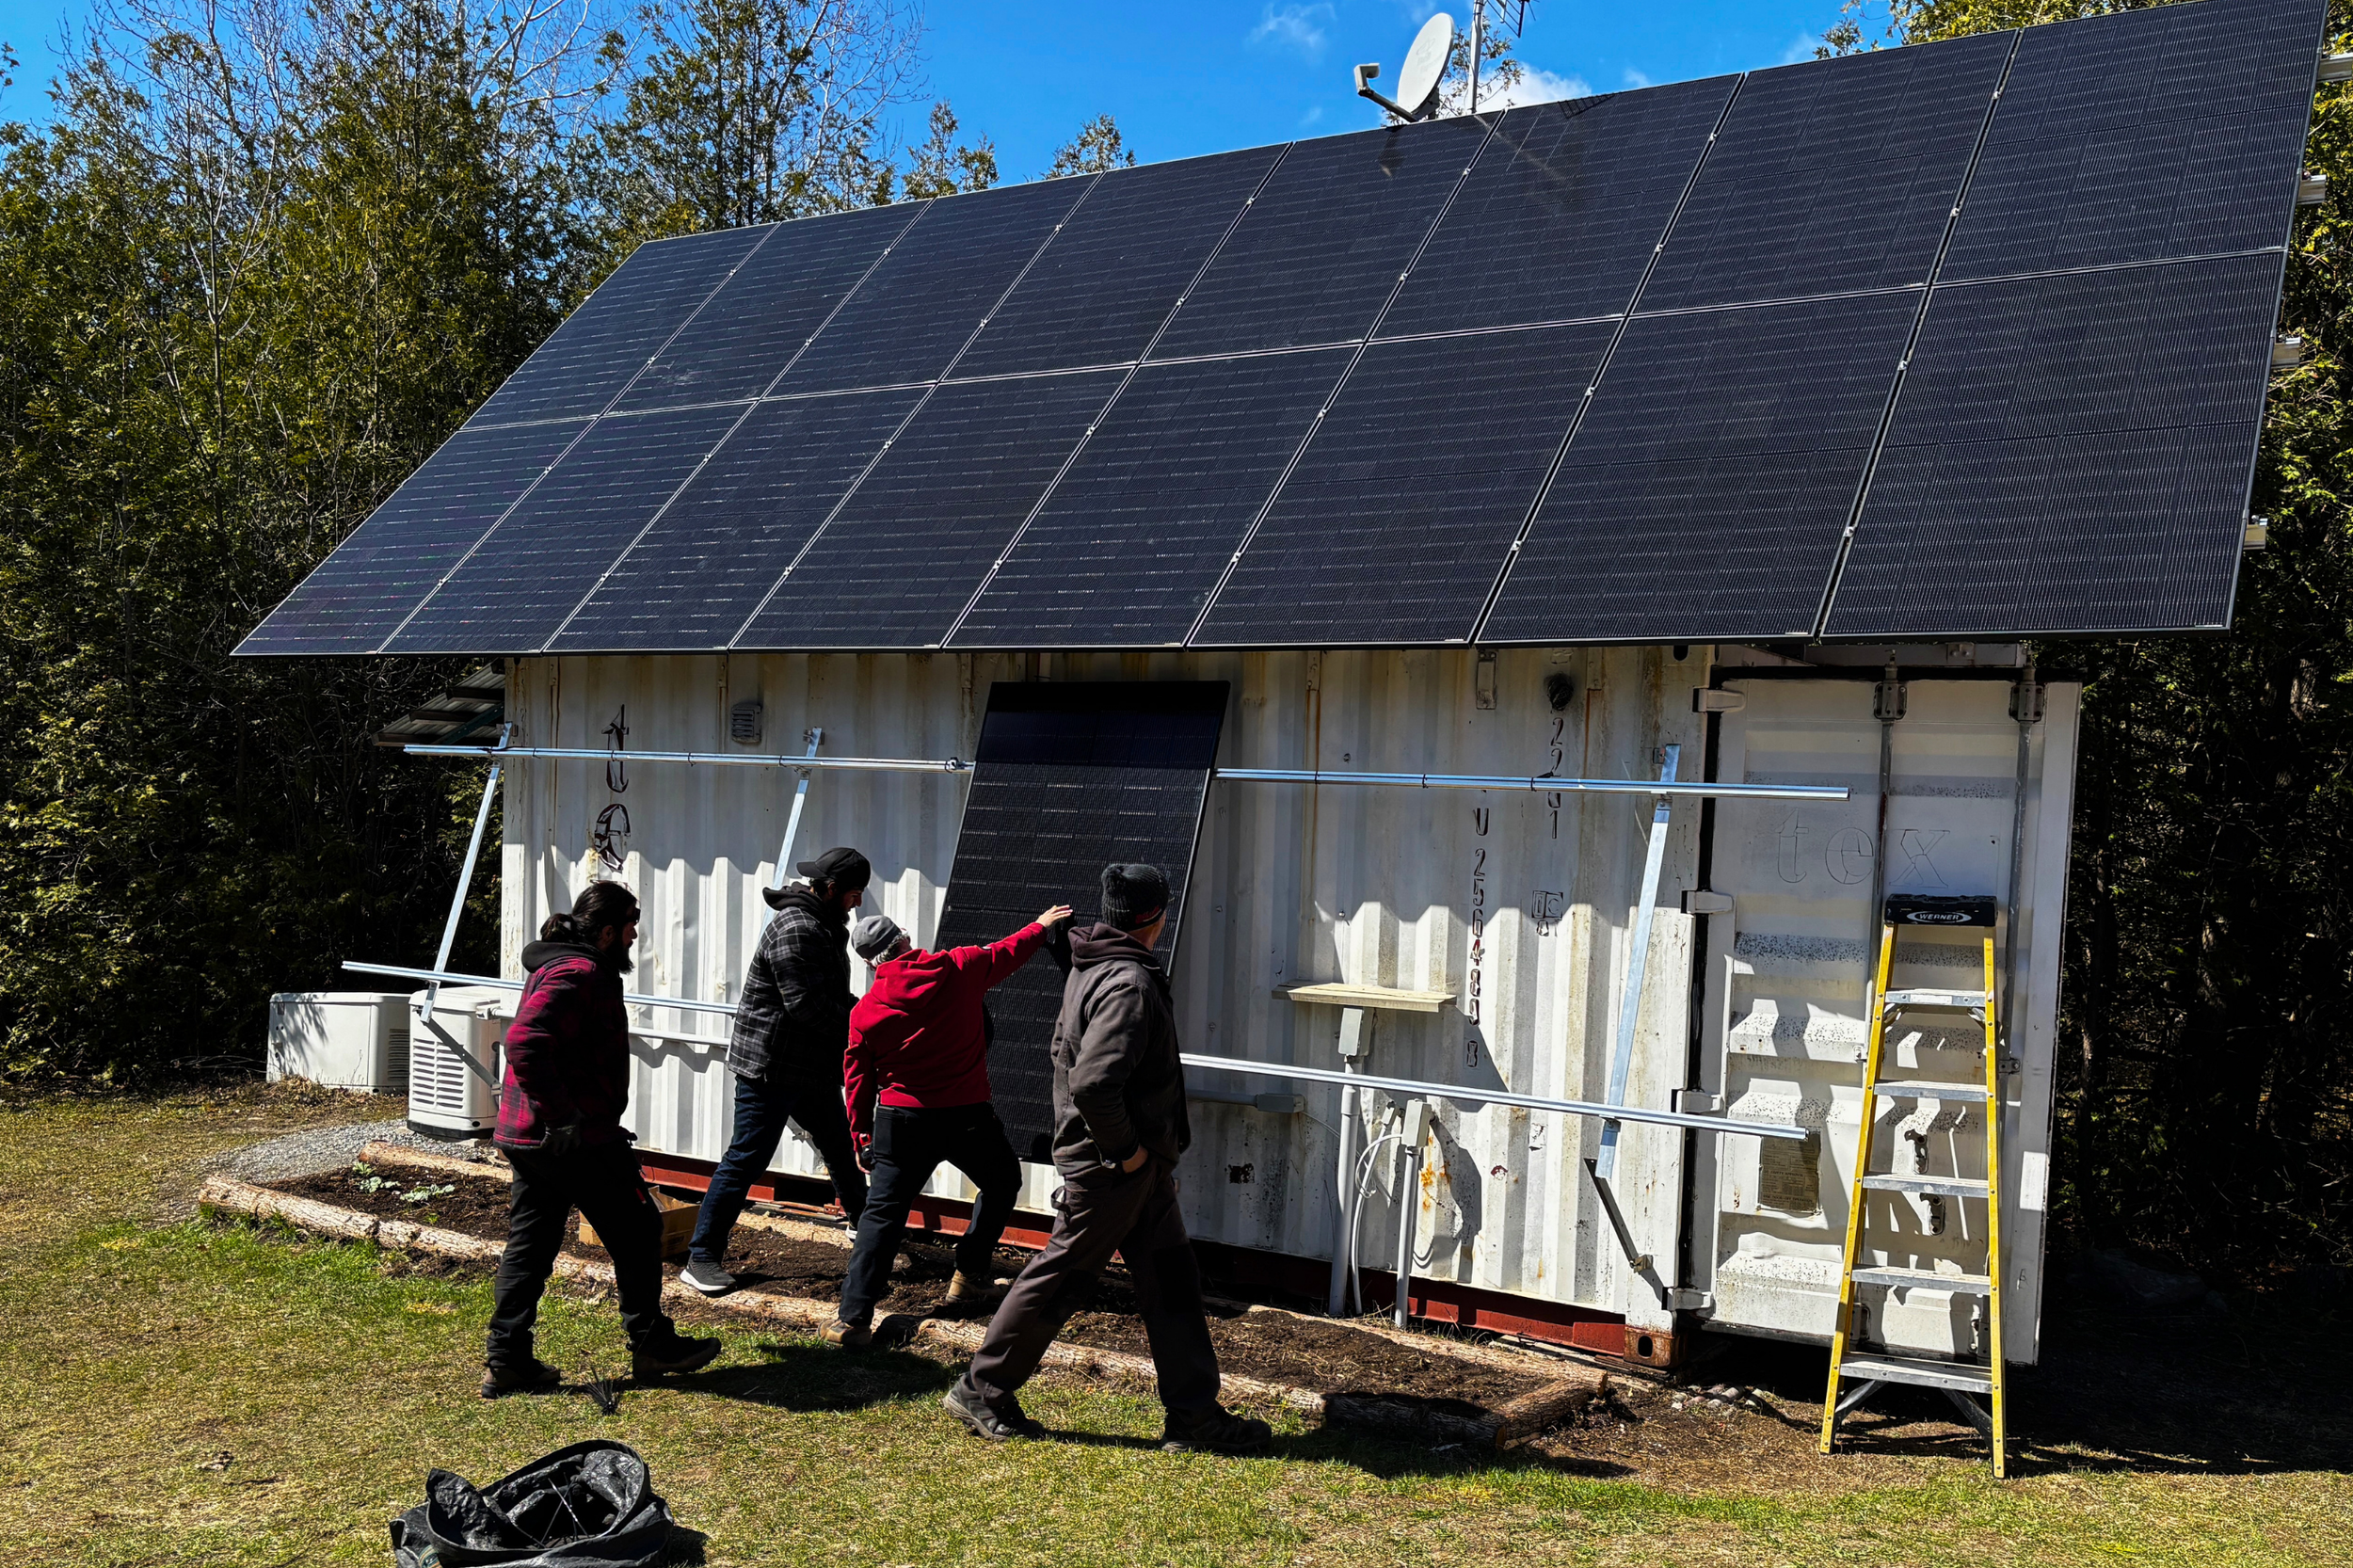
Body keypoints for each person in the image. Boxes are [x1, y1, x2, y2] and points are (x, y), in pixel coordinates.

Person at [944, 863, 1272, 1454]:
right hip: (1113, 1169)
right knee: (1060, 1278)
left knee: (1173, 1280)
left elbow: (1069, 1059)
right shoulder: (1129, 984)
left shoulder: (1092, 962)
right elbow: (1094, 1083)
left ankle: (1194, 1417)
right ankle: (982, 1388)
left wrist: (1143, 1160)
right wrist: (1126, 1154)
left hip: (1139, 1172)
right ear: (1157, 917)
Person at [485, 881, 721, 1395]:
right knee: (638, 1230)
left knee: (531, 1243)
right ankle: (653, 1345)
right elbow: (523, 1043)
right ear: (608, 930)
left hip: (535, 1136)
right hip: (571, 1138)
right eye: (631, 925)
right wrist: (565, 1117)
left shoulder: (564, 966)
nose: (636, 935)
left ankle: (508, 1358)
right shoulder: (581, 971)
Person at [824, 902, 1074, 1349]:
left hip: (901, 1123)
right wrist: (1040, 926)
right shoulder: (959, 967)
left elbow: (856, 1079)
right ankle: (971, 1272)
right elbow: (1007, 951)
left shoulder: (865, 1013)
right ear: (905, 940)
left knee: (882, 1216)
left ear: (869, 963)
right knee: (1002, 1182)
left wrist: (861, 1136)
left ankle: (852, 1320)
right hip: (967, 1116)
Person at [682, 847, 873, 1295]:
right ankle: (702, 1257)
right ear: (828, 890)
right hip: (770, 1067)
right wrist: (863, 1031)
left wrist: (870, 1017)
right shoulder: (797, 929)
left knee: (840, 1146)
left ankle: (865, 1226)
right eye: (853, 894)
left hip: (808, 1064)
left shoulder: (823, 925)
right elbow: (807, 1007)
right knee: (746, 1158)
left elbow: (831, 995)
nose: (857, 904)